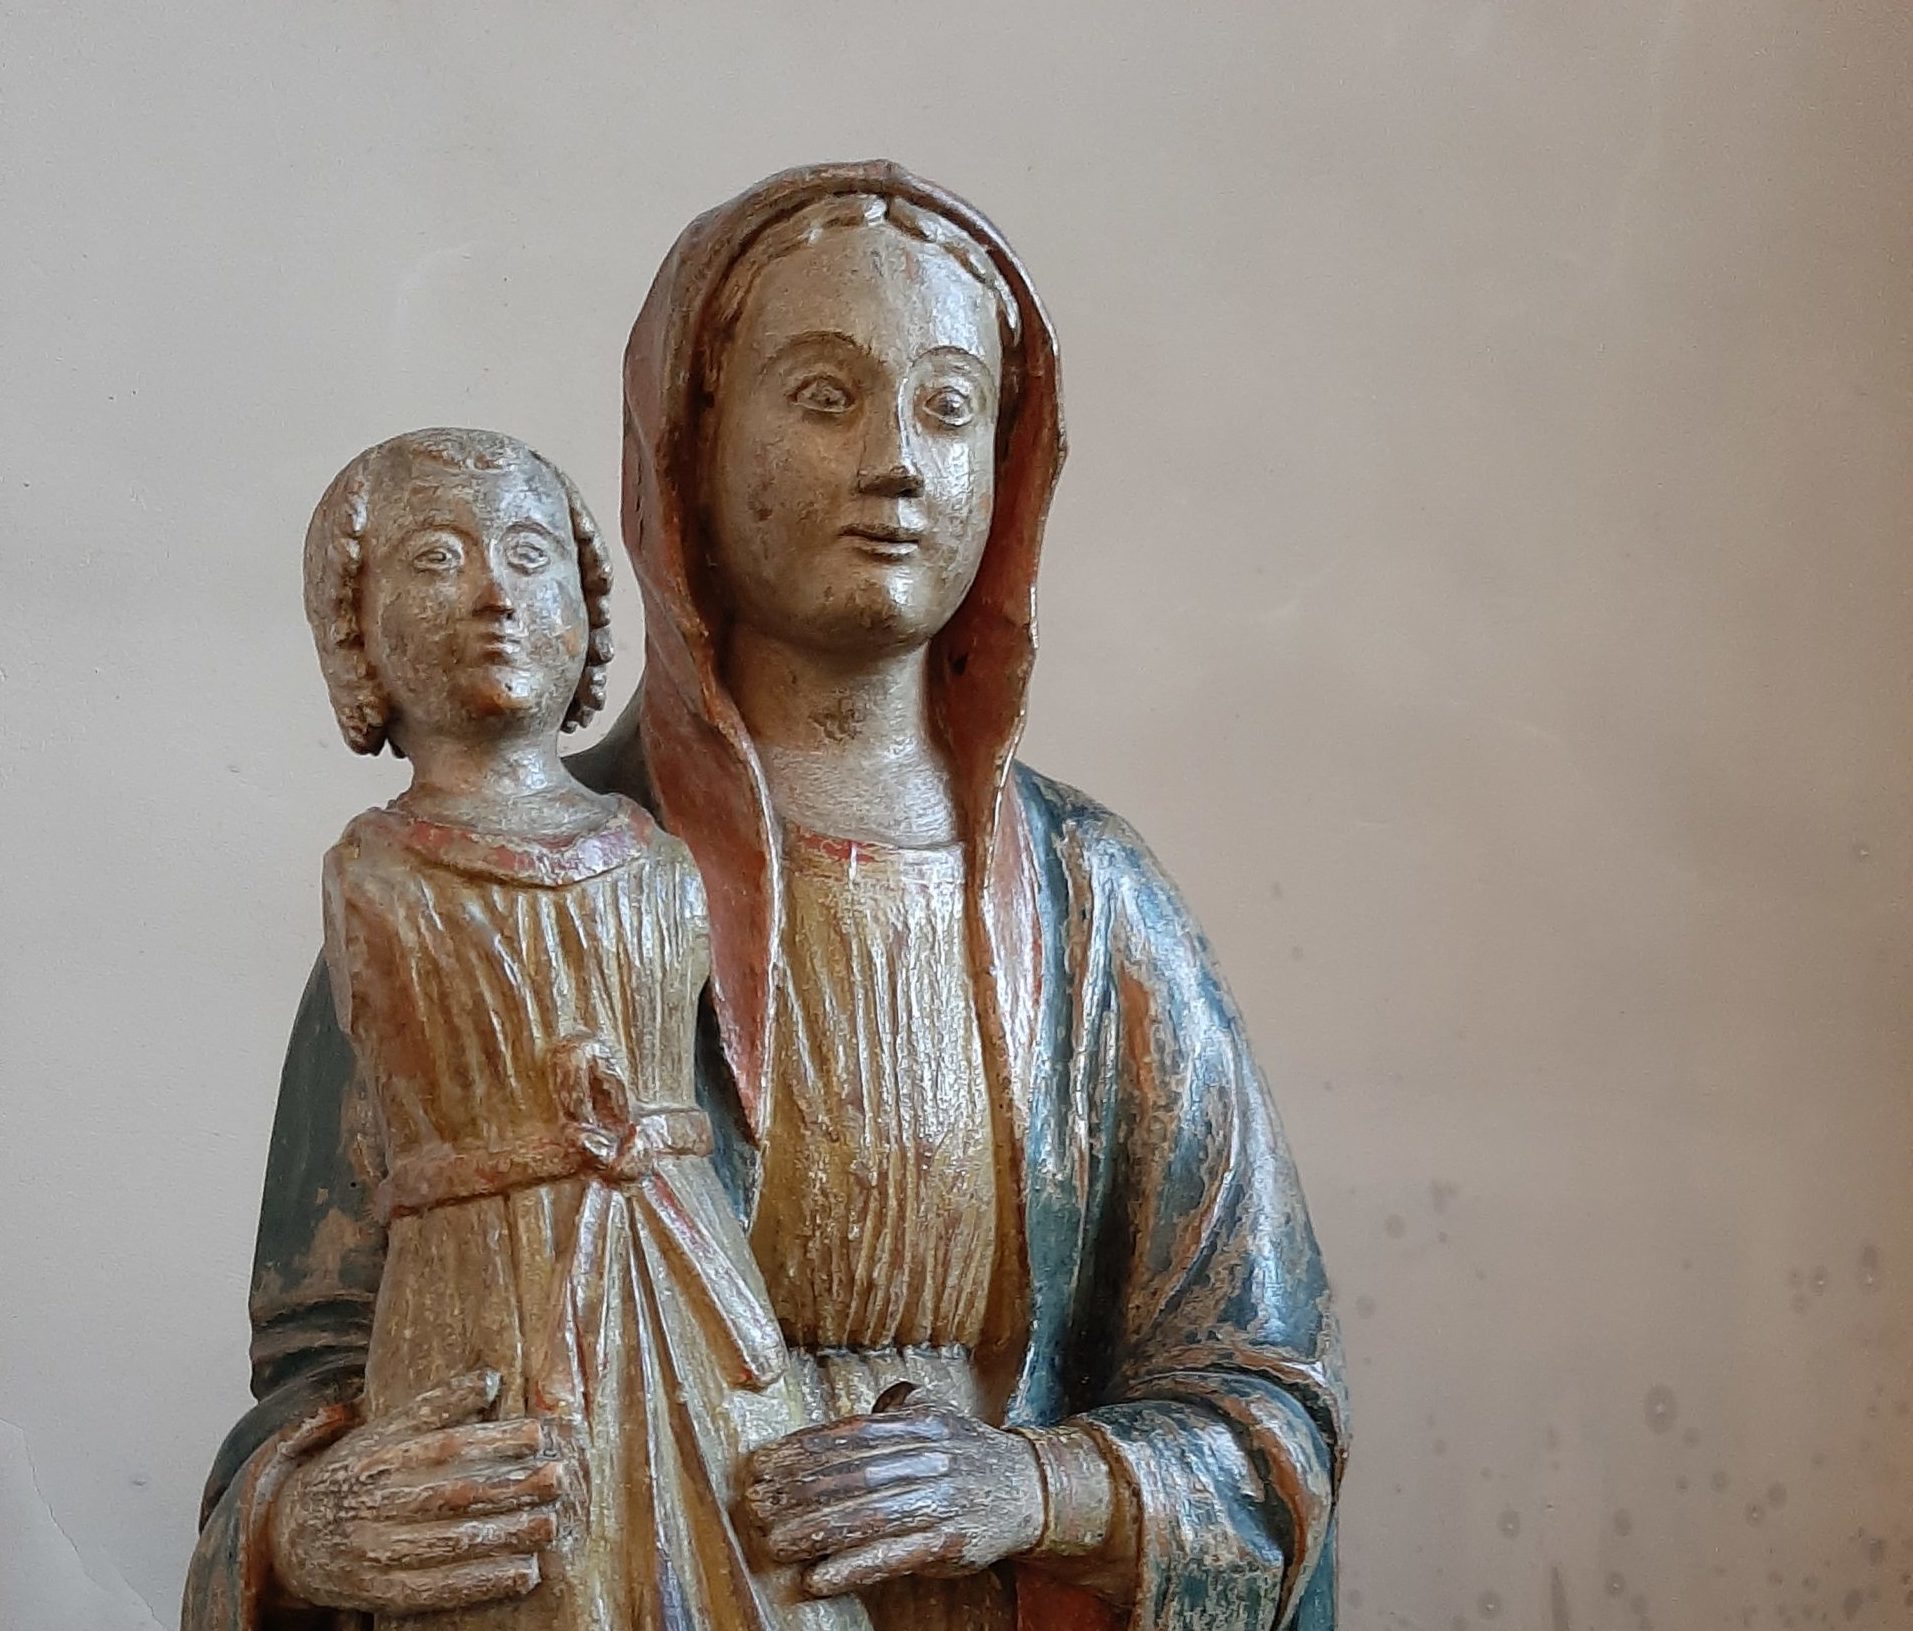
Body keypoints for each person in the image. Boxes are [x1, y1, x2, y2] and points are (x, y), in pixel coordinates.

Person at [186, 164, 1348, 1631]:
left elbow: (1267, 1404)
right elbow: (314, 1369)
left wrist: (1033, 1484)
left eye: (948, 407)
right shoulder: (476, 878)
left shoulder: (1091, 904)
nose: (897, 463)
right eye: (823, 396)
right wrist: (308, 1520)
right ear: (688, 445)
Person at [184, 428, 865, 1631]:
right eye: (436, 559)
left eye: (530, 552)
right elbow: (311, 1316)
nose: (494, 592)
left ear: (590, 613)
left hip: (700, 1316)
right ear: (354, 632)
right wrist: (299, 1512)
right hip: (482, 1324)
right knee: (525, 1568)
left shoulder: (658, 862)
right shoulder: (376, 882)